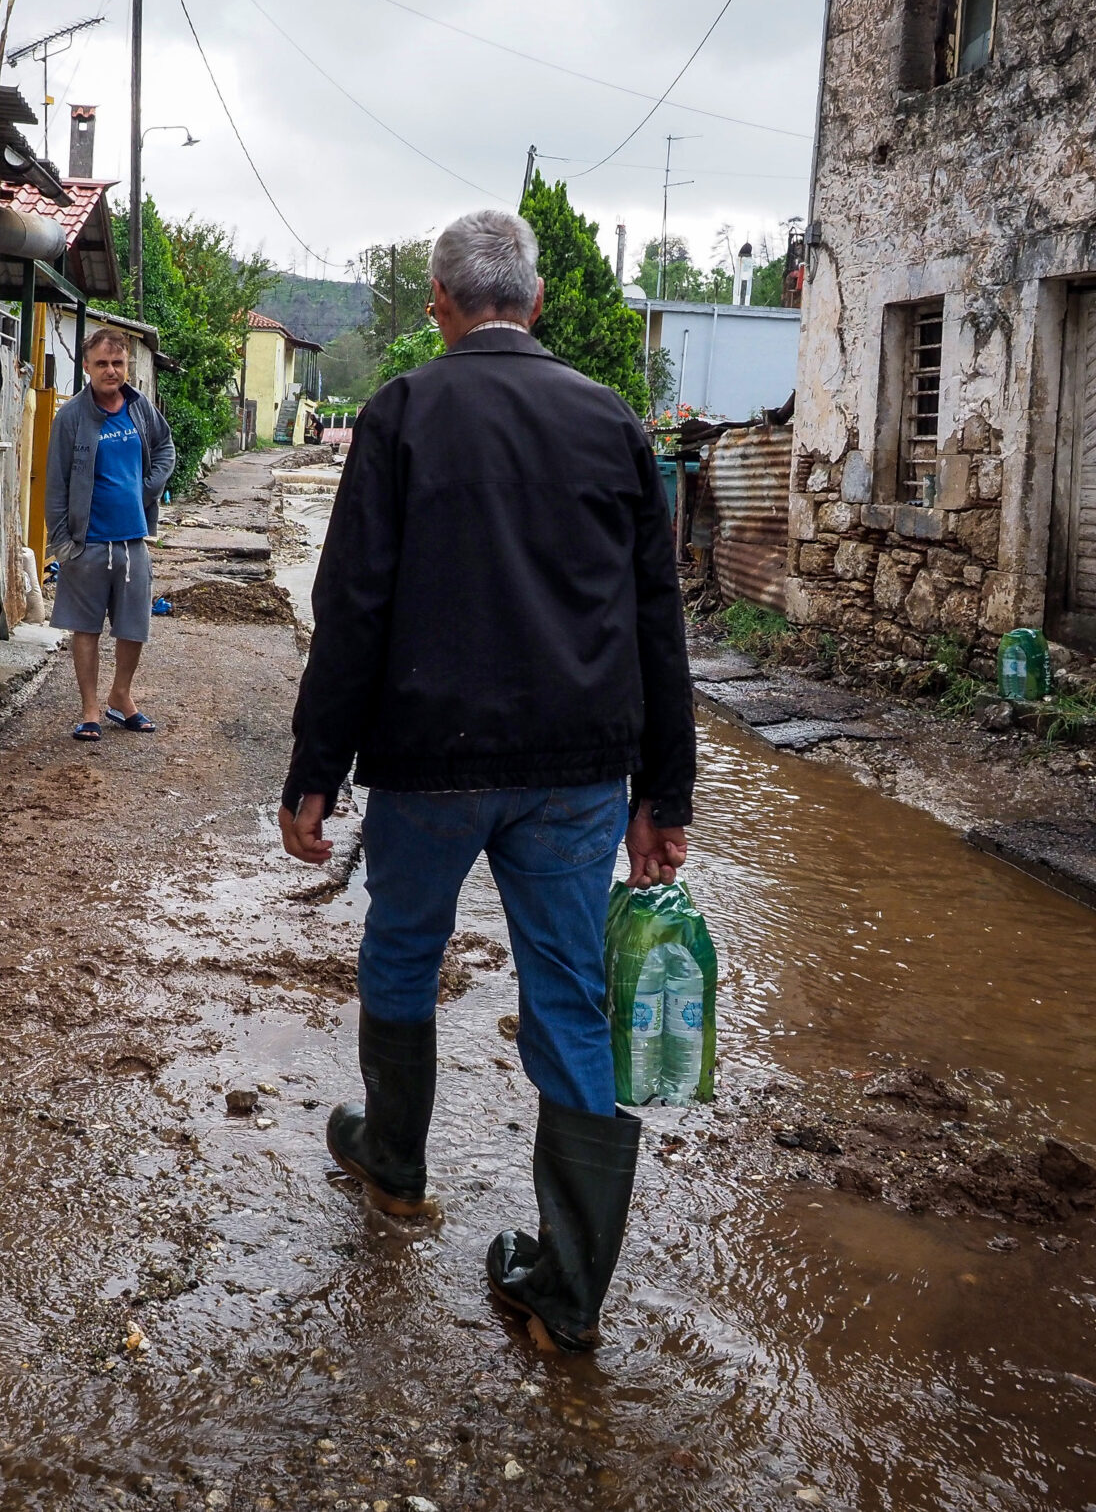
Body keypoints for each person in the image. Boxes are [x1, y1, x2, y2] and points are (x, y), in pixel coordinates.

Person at [276, 208, 696, 1354]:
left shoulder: (403, 412)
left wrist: (314, 772)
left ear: (438, 304)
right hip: (576, 775)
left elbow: (351, 610)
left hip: (429, 764)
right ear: (540, 302)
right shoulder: (612, 421)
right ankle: (565, 1288)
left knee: (402, 947)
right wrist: (667, 795)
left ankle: (395, 1164)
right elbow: (659, 622)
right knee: (567, 993)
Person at [45, 326, 177, 741]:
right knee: (85, 627)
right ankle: (89, 711)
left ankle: (121, 696)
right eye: (101, 363)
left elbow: (165, 448)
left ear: (127, 366)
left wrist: (146, 489)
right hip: (88, 542)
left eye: (117, 363)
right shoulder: (70, 417)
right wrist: (64, 544)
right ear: (86, 367)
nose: (110, 370)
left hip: (133, 539)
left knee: (133, 624)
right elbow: (56, 483)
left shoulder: (140, 409)